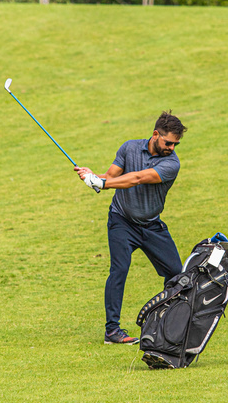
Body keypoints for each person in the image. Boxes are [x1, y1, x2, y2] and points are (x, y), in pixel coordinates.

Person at [76, 111, 188, 344]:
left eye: (176, 144)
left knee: (177, 274)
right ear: (155, 134)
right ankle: (112, 331)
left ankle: (168, 323)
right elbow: (110, 176)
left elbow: (136, 178)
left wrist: (103, 183)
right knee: (119, 270)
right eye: (169, 142)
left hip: (151, 226)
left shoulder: (171, 163)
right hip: (122, 221)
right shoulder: (129, 148)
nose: (172, 147)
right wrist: (91, 176)